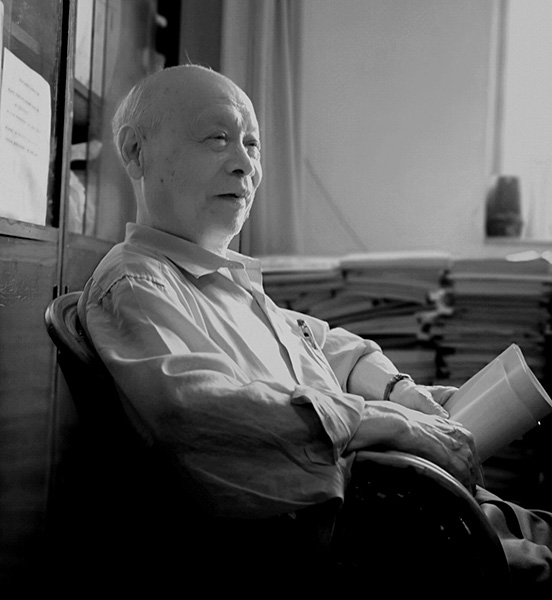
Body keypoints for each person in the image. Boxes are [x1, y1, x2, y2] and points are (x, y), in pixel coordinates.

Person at [77, 64, 551, 593]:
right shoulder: (138, 282)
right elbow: (194, 410)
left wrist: (400, 393)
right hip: (347, 552)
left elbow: (319, 341)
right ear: (135, 151)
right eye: (217, 139)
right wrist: (392, 425)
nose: (245, 165)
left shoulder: (219, 279)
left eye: (252, 145)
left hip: (400, 517)